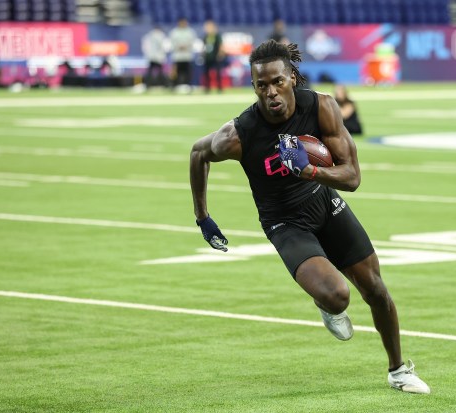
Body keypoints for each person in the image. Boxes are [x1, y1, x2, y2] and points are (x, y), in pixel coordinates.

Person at [189, 40, 430, 394]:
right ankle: (325, 304)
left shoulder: (322, 107)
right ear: (253, 86)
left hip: (324, 201)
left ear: (292, 77)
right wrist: (202, 216)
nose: (271, 92)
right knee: (337, 295)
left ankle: (397, 370)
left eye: (278, 82)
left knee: (376, 289)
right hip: (285, 221)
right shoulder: (240, 133)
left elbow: (352, 177)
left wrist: (311, 173)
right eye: (261, 85)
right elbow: (198, 152)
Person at [169, 18, 198, 91]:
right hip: (177, 56)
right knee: (175, 72)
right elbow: (171, 42)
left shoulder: (190, 32)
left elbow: (192, 41)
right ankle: (174, 86)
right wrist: (179, 46)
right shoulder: (174, 32)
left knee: (188, 72)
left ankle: (189, 86)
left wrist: (186, 46)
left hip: (187, 56)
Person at [202, 20, 225, 93]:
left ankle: (219, 88)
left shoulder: (217, 36)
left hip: (215, 56)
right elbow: (204, 46)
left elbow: (221, 45)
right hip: (208, 57)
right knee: (206, 73)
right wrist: (203, 53)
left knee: (218, 73)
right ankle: (207, 88)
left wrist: (220, 53)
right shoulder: (206, 37)